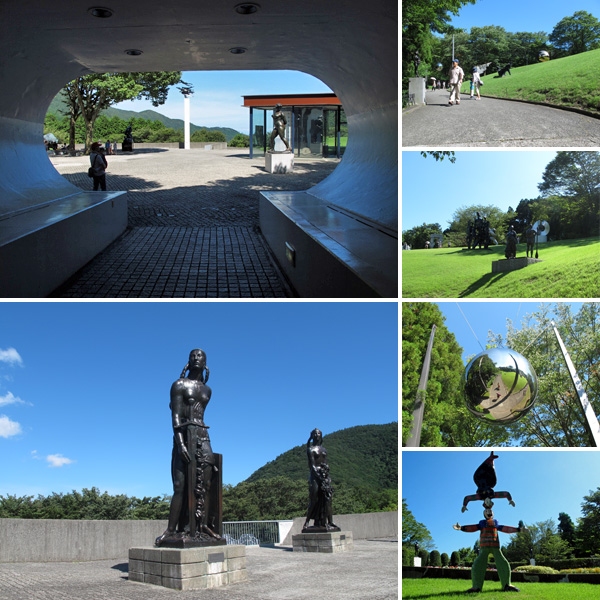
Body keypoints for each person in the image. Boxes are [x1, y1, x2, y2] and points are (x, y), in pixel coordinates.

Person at [155, 349, 222, 545]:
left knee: (206, 484)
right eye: (193, 355)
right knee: (180, 485)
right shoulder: (179, 385)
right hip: (184, 434)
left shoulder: (207, 390)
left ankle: (201, 525)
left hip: (203, 435)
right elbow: (175, 415)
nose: (196, 358)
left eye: (200, 355)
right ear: (188, 360)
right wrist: (180, 443)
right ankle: (170, 529)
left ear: (206, 362)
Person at [453, 507, 522, 593]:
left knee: (503, 563)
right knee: (478, 565)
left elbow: (505, 528)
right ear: (484, 514)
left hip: (495, 547)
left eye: (490, 511)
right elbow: (473, 527)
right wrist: (462, 528)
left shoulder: (496, 523)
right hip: (484, 547)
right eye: (487, 511)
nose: (489, 512)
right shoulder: (482, 523)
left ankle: (507, 585)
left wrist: (518, 529)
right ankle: (476, 587)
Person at [302, 428, 339, 531]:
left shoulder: (324, 449)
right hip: (315, 477)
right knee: (314, 500)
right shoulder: (311, 449)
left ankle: (329, 521)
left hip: (324, 476)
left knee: (327, 500)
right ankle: (307, 522)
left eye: (319, 433)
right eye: (315, 434)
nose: (317, 435)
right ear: (312, 436)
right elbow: (312, 466)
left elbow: (326, 463)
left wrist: (327, 476)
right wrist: (319, 477)